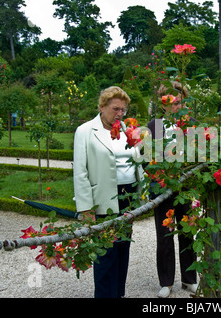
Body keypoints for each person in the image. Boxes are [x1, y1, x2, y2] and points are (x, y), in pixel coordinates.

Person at [73, 86, 144, 298]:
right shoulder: (85, 131)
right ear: (101, 107)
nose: (120, 114)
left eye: (123, 109)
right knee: (105, 253)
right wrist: (85, 207)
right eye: (116, 109)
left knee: (123, 249)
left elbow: (137, 162)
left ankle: (118, 293)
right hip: (103, 198)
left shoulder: (126, 129)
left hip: (129, 196)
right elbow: (80, 171)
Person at [147, 81, 198, 298]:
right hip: (161, 188)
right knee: (164, 235)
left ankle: (189, 279)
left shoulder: (193, 124)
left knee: (187, 233)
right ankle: (166, 282)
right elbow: (145, 160)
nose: (175, 106)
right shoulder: (152, 126)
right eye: (171, 103)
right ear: (163, 103)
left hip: (185, 187)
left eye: (179, 102)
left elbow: (199, 156)